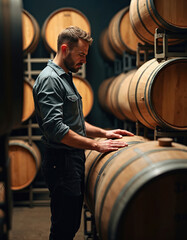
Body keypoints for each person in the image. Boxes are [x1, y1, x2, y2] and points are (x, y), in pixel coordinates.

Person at [33, 26, 134, 240]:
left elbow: (74, 123)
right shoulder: (51, 80)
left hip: (71, 158)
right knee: (63, 227)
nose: (84, 60)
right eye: (81, 54)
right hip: (62, 162)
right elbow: (57, 130)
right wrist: (96, 145)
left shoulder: (64, 77)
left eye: (86, 55)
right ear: (64, 49)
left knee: (69, 223)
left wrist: (104, 133)